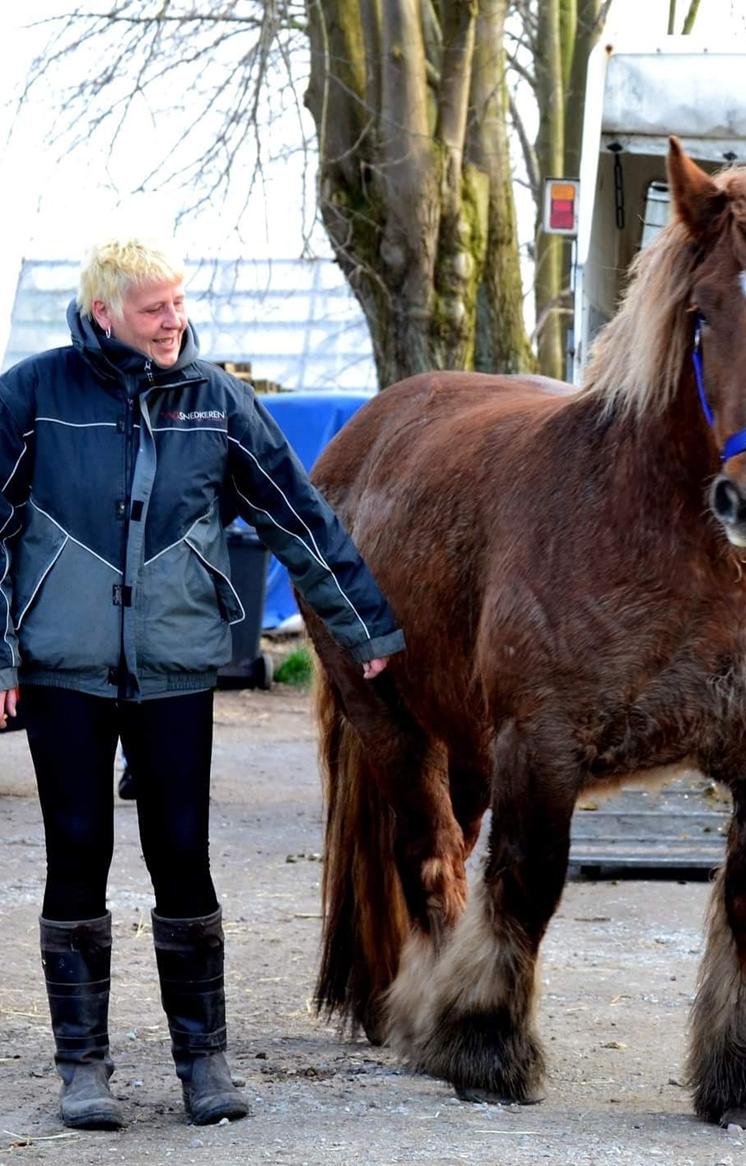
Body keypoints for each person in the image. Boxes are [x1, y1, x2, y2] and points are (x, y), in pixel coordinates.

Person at [0, 238, 404, 1131]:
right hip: (63, 668)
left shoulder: (218, 401)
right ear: (105, 313)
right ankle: (83, 1067)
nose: (174, 318)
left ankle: (202, 1061)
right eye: (155, 307)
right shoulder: (32, 394)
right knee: (77, 856)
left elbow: (298, 513)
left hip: (176, 665)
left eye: (179, 301)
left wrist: (363, 622)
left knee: (183, 856)